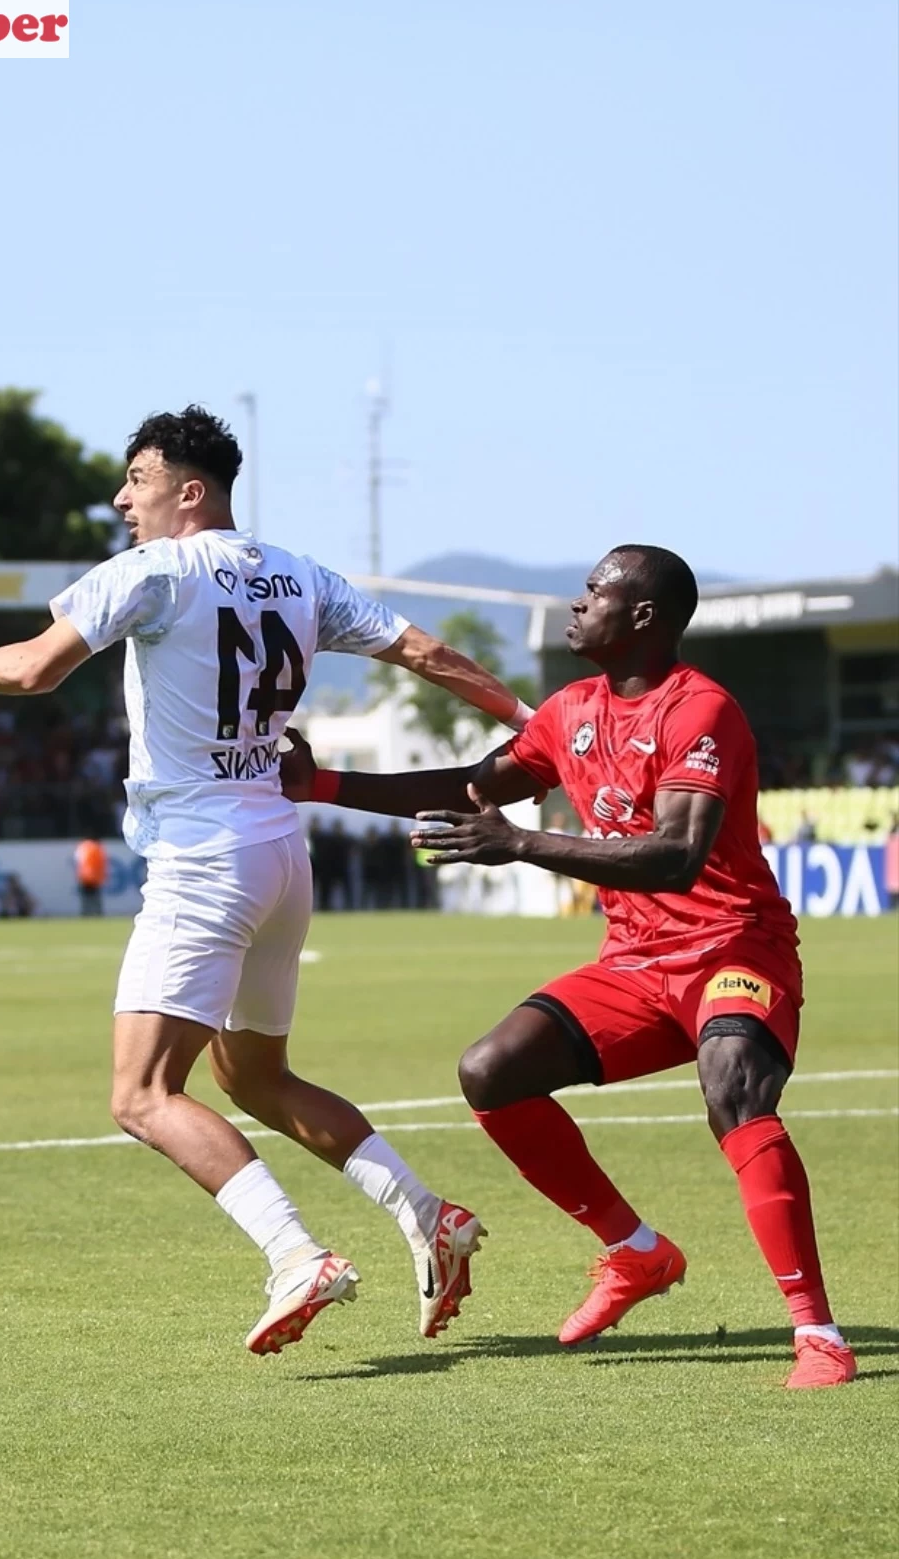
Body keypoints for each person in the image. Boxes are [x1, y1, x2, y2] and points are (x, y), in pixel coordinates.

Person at [0, 404, 534, 1356]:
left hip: (205, 858)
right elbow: (428, 654)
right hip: (279, 851)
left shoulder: (149, 573)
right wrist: (539, 722)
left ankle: (296, 1255)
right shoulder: (303, 574)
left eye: (134, 480)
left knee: (140, 1095)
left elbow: (32, 670)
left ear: (189, 489)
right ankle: (429, 1215)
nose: (119, 499)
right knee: (255, 1076)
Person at [283, 545, 855, 1390]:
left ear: (645, 618)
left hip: (735, 949)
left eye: (595, 593)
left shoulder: (703, 711)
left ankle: (818, 1333)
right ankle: (635, 1253)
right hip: (633, 966)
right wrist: (321, 784)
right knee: (491, 1070)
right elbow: (474, 783)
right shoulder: (570, 709)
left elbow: (676, 855)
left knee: (733, 1084)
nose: (577, 606)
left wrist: (520, 844)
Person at [74, 837, 108, 915]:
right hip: (94, 877)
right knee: (95, 898)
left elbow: (77, 860)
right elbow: (101, 863)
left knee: (86, 898)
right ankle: (97, 913)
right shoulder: (97, 848)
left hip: (84, 876)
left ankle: (86, 913)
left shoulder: (82, 847)